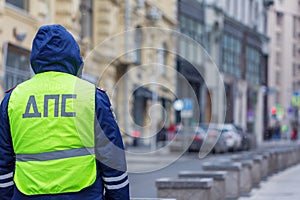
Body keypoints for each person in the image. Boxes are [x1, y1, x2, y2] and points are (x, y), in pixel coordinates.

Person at [0, 24, 129, 200]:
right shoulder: (91, 96)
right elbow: (112, 159)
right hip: (84, 194)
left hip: (28, 194)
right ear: (74, 57)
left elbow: (3, 163)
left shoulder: (13, 99)